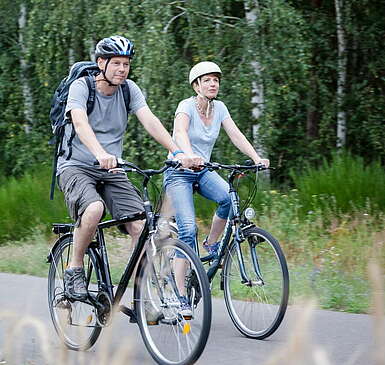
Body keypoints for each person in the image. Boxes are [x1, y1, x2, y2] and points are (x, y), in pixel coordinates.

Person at [58, 35, 191, 301]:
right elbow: (80, 123)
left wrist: (178, 151)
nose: (122, 69)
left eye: (126, 64)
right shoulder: (81, 88)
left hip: (112, 170)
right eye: (116, 63)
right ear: (101, 63)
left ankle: (142, 296)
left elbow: (149, 120)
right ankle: (74, 268)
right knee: (94, 209)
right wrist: (100, 154)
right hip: (75, 166)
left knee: (142, 226)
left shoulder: (129, 89)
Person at [163, 61, 269, 312]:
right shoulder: (185, 106)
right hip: (180, 172)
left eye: (216, 80)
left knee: (229, 201)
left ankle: (211, 244)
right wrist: (188, 155)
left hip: (203, 171)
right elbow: (180, 133)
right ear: (196, 85)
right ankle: (179, 296)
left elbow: (236, 134)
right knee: (188, 230)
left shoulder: (219, 108)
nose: (213, 84)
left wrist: (256, 158)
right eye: (207, 80)